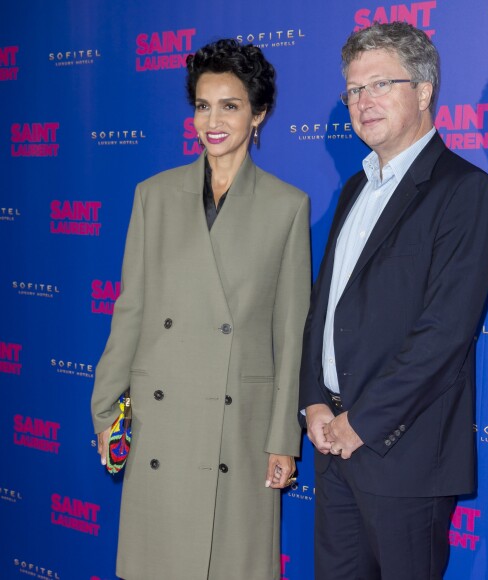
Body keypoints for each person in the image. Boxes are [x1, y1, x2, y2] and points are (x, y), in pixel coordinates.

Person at [91, 39, 311, 580]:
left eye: (230, 105)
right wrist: (104, 406)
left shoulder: (288, 207)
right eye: (202, 105)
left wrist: (284, 438)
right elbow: (132, 309)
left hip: (238, 426)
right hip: (160, 422)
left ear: (258, 114)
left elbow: (291, 332)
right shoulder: (154, 196)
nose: (212, 121)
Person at [299, 22, 488, 580]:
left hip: (403, 452)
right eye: (353, 90)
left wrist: (359, 423)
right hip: (332, 445)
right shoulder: (354, 188)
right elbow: (325, 310)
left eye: (380, 85)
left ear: (424, 89)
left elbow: (445, 332)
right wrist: (315, 402)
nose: (363, 103)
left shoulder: (465, 192)